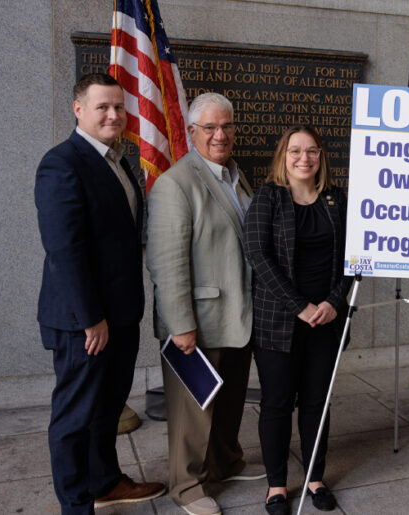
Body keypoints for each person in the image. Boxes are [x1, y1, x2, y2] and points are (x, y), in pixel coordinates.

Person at [35, 73, 165, 514]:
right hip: (84, 323)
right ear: (78, 110)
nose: (113, 115)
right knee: (75, 418)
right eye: (102, 107)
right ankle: (76, 505)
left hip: (122, 315)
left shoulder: (119, 161)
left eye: (119, 107)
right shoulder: (62, 163)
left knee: (107, 409)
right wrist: (91, 317)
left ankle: (105, 481)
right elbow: (64, 249)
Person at [146, 92, 265, 515]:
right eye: (210, 127)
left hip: (237, 315)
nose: (220, 135)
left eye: (227, 126)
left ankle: (224, 463)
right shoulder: (176, 183)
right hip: (197, 320)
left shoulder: (235, 176)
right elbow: (166, 260)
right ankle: (188, 486)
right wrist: (180, 323)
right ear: (192, 132)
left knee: (229, 401)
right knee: (193, 411)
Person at [244, 125, 353, 515]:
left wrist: (333, 302)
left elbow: (354, 260)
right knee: (276, 403)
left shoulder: (336, 200)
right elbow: (258, 256)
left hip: (327, 320)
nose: (303, 158)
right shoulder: (268, 198)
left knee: (316, 403)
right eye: (295, 151)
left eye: (312, 151)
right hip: (279, 321)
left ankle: (315, 477)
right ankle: (276, 485)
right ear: (283, 157)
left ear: (321, 157)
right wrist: (300, 306)